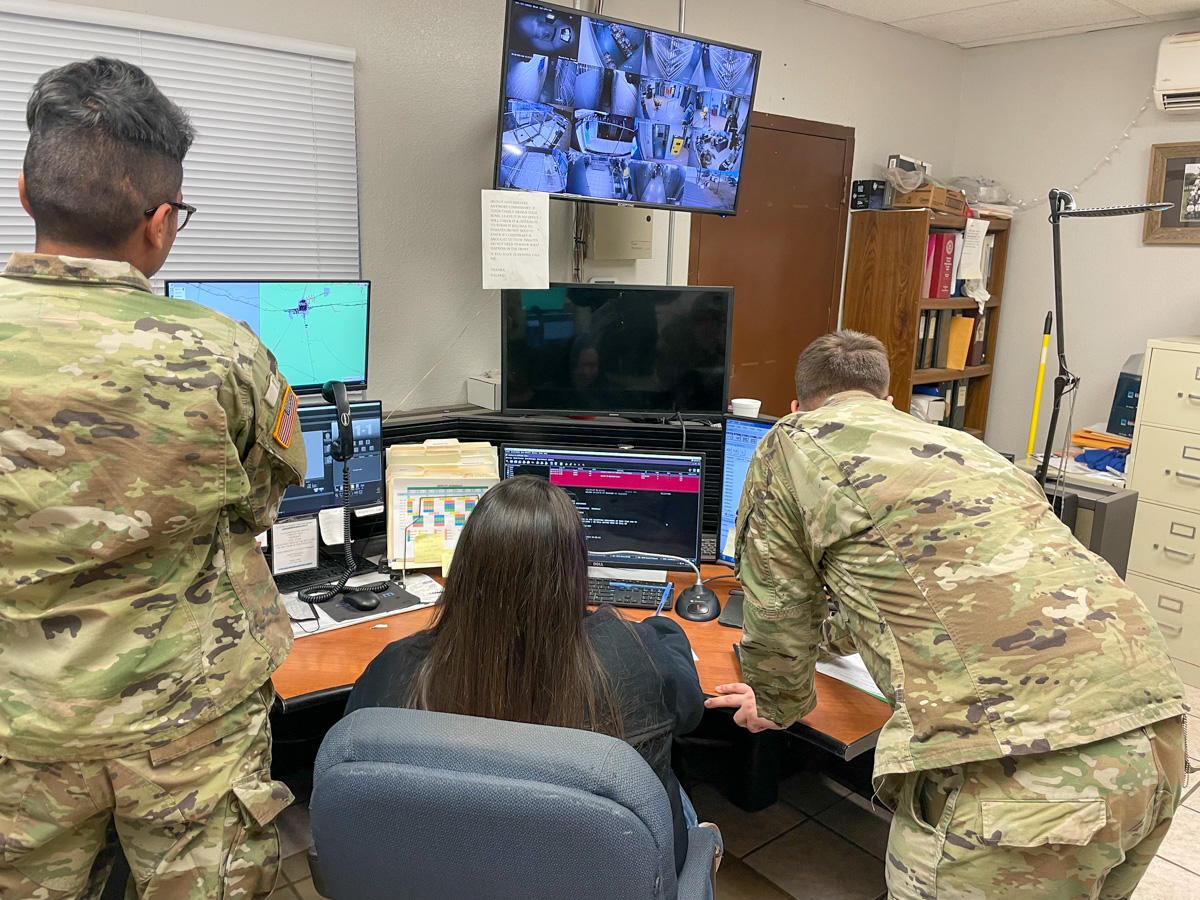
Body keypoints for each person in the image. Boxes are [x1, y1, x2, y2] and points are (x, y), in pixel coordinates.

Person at [706, 330, 1188, 899]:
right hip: (1156, 737)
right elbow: (920, 592)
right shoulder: (965, 449)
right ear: (889, 403)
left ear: (794, 408)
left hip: (1023, 772)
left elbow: (780, 607)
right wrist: (827, 644)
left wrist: (778, 702)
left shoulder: (791, 443)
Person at [0, 58, 306, 899]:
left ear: (26, 194)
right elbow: (260, 501)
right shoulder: (227, 353)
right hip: (189, 730)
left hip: (17, 734)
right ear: (162, 222)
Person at [346, 475, 708, 874]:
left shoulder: (395, 667)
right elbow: (691, 711)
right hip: (600, 876)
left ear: (465, 568)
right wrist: (664, 633)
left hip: (455, 873)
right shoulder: (632, 653)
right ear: (575, 571)